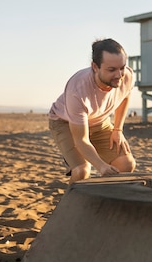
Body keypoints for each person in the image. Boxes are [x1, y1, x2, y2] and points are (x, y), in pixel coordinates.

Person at [48, 38, 136, 184]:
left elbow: (125, 95)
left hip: (99, 121)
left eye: (122, 67)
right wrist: (101, 166)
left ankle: (106, 203)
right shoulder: (77, 90)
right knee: (82, 171)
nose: (119, 75)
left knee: (126, 165)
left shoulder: (126, 75)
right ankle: (72, 204)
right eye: (111, 70)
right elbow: (81, 140)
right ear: (95, 67)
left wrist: (117, 130)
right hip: (66, 122)